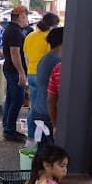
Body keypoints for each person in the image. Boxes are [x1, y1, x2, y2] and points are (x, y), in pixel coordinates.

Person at [23, 12, 61, 143]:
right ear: (53, 25)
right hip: (44, 75)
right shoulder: (49, 38)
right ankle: (40, 137)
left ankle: (31, 137)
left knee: (34, 107)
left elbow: (26, 55)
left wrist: (29, 70)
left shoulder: (30, 36)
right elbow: (53, 56)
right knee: (43, 107)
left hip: (31, 72)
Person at [29, 27, 63, 150]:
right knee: (52, 155)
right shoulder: (59, 62)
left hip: (39, 110)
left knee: (43, 153)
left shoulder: (45, 58)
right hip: (48, 113)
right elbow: (55, 95)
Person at [1, 5, 30, 143]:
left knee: (11, 99)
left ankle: (7, 126)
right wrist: (21, 73)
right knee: (17, 100)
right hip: (13, 70)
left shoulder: (11, 29)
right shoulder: (15, 32)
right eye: (26, 16)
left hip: (10, 69)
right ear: (21, 16)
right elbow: (15, 53)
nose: (27, 20)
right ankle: (9, 130)